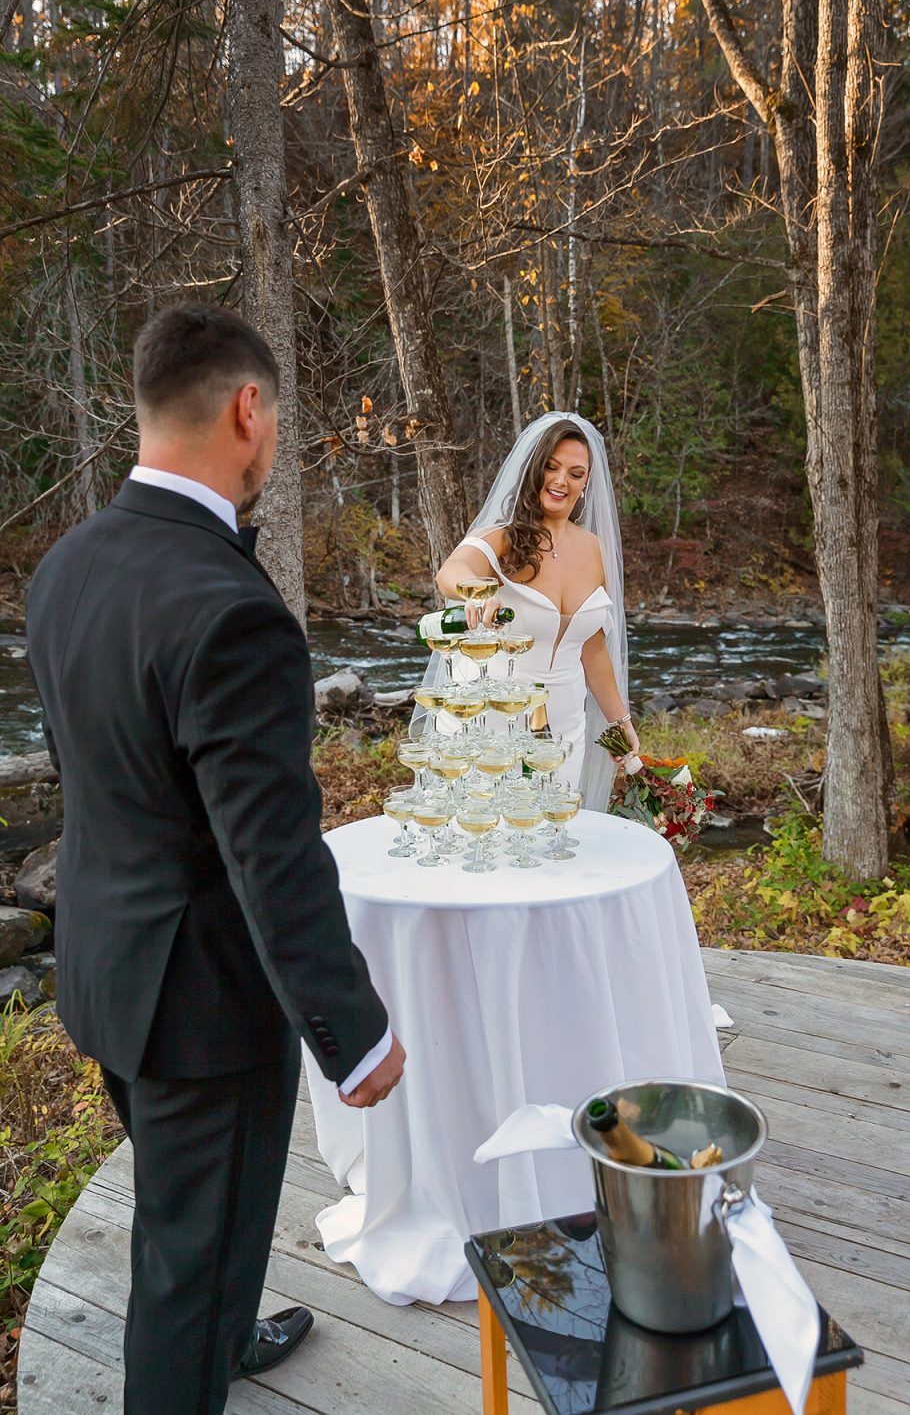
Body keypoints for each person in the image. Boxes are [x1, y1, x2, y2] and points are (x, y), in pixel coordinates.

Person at [26, 304, 405, 1415]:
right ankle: (196, 1357)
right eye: (275, 419)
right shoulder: (230, 609)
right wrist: (352, 1031)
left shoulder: (66, 566)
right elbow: (269, 850)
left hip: (105, 965)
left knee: (193, 1218)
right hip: (201, 1009)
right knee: (188, 1267)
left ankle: (226, 1332)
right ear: (249, 411)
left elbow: (99, 783)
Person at [425, 412, 640, 810]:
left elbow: (592, 649)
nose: (561, 481)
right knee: (489, 838)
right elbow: (450, 572)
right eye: (552, 467)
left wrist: (619, 721)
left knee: (549, 840)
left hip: (564, 723)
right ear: (535, 469)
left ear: (586, 482)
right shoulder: (502, 537)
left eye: (576, 473)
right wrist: (475, 593)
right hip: (492, 718)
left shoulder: (595, 549)